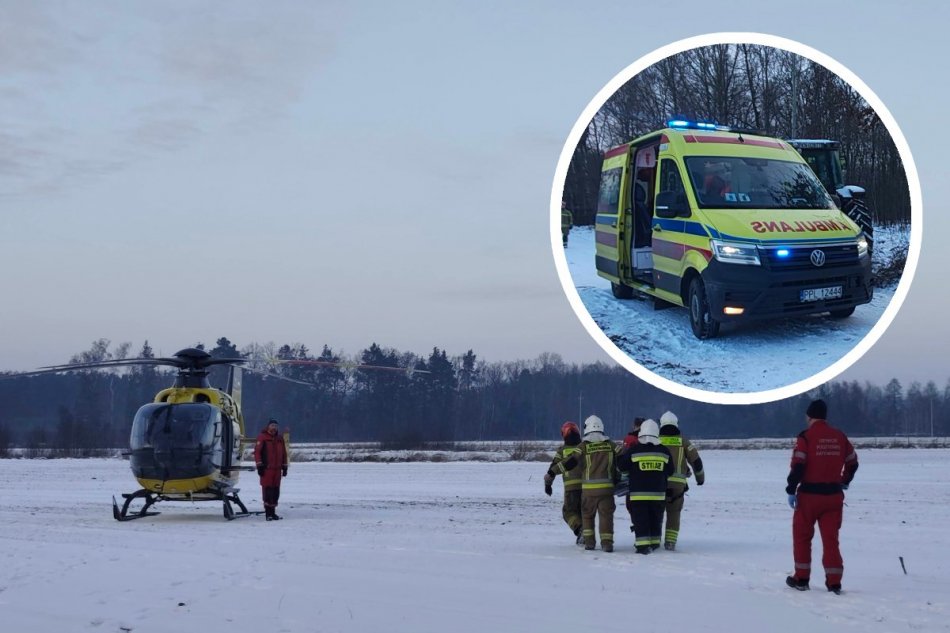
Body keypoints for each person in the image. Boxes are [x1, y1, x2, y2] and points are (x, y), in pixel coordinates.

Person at [785, 399, 859, 594]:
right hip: (833, 496)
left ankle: (801, 579)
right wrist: (844, 480)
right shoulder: (840, 437)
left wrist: (791, 489)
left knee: (802, 538)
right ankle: (834, 582)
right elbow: (853, 463)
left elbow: (799, 465)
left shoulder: (806, 438)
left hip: (809, 496)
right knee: (831, 540)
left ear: (809, 416)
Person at [554, 415, 618, 552]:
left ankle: (589, 542)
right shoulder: (610, 444)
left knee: (587, 516)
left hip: (587, 490)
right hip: (607, 489)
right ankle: (607, 543)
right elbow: (623, 456)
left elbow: (568, 462)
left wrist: (551, 473)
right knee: (606, 516)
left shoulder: (582, 447)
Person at [618, 419, 673, 554]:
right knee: (656, 518)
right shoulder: (664, 451)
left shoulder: (634, 450)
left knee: (641, 520)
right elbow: (670, 470)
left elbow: (622, 467)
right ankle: (654, 543)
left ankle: (642, 546)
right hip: (658, 494)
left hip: (638, 495)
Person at [658, 410, 705, 550]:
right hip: (677, 486)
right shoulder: (683, 441)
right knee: (674, 513)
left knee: (656, 512)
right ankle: (670, 542)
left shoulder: (655, 440)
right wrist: (700, 479)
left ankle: (653, 539)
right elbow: (696, 461)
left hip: (657, 483)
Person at [544, 421, 584, 544]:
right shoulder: (583, 447)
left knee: (568, 512)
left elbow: (553, 469)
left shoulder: (562, 451)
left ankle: (580, 530)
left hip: (571, 488)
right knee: (584, 512)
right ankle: (587, 533)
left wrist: (548, 486)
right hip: (587, 487)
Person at [254, 418, 288, 521]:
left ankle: (273, 513)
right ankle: (268, 513)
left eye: (276, 426)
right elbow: (257, 452)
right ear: (268, 426)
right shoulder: (262, 437)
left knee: (275, 492)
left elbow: (284, 453)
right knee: (267, 491)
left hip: (277, 470)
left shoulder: (279, 438)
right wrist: (259, 466)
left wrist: (285, 466)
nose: (274, 427)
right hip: (267, 469)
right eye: (272, 425)